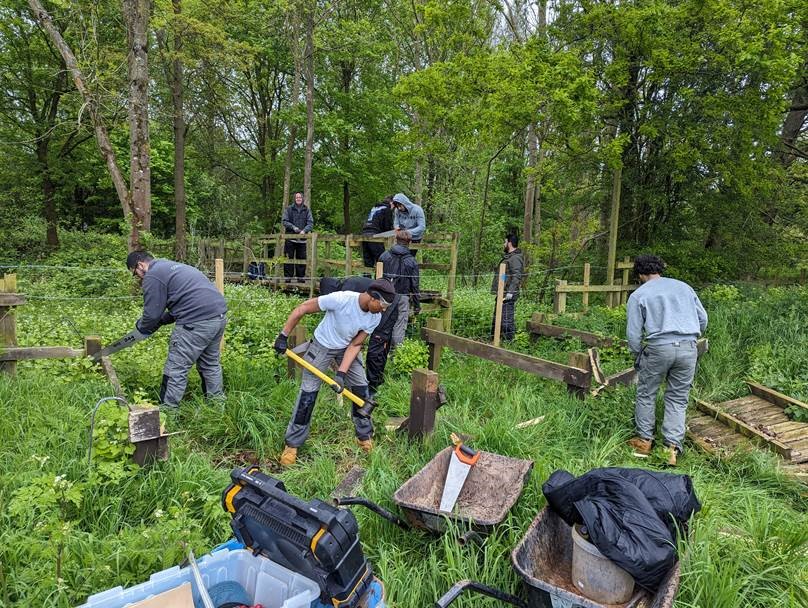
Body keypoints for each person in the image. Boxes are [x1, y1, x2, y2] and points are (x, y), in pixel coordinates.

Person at [273, 279, 396, 466]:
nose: (384, 309)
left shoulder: (375, 316)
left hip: (347, 347)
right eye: (383, 304)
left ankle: (363, 437)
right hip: (322, 346)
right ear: (373, 297)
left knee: (361, 390)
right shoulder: (340, 300)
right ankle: (292, 444)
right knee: (308, 395)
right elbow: (303, 308)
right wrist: (283, 335)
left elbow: (355, 344)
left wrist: (341, 374)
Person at [626, 254, 708, 466]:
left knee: (647, 393)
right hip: (689, 347)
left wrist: (638, 355)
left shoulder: (639, 295)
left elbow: (634, 335)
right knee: (678, 397)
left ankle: (644, 442)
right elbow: (703, 319)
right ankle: (670, 450)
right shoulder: (684, 287)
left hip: (659, 347)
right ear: (659, 269)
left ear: (640, 274)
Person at [127, 251, 228, 409]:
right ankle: (217, 408)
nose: (138, 277)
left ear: (140, 265)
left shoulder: (152, 275)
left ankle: (167, 413)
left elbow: (152, 314)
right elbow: (184, 301)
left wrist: (142, 328)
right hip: (218, 317)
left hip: (195, 322)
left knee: (176, 368)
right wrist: (161, 321)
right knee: (210, 364)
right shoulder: (170, 266)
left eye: (135, 273)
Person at [319, 276, 400, 397]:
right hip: (380, 304)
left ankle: (371, 389)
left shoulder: (346, 292)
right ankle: (360, 385)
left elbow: (352, 322)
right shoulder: (347, 287)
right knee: (359, 344)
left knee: (377, 347)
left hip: (386, 306)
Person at [379, 230, 420, 347]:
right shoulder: (412, 261)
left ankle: (381, 349)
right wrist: (417, 305)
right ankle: (397, 353)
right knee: (400, 324)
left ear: (396, 240)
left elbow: (378, 277)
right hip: (402, 296)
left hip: (385, 295)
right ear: (409, 242)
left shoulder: (384, 256)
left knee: (383, 322)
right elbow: (415, 284)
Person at [490, 233, 524, 341]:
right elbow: (504, 275)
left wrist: (510, 292)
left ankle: (509, 342)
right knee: (497, 318)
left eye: (504, 242)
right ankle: (495, 341)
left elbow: (517, 276)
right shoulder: (509, 257)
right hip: (502, 292)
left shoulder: (515, 258)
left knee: (506, 320)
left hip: (507, 294)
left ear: (509, 243)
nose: (503, 244)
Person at [281, 192, 314, 282]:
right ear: (294, 199)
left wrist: (304, 230)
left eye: (300, 197)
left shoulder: (307, 210)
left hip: (302, 239)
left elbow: (310, 223)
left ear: (302, 199)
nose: (298, 199)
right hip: (290, 238)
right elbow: (284, 221)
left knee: (302, 259)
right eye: (297, 197)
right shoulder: (289, 209)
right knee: (288, 258)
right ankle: (288, 278)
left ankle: (300, 278)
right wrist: (293, 227)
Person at [361, 196, 394, 270]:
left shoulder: (374, 208)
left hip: (364, 233)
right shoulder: (387, 209)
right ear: (391, 202)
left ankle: (367, 280)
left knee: (368, 262)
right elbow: (387, 227)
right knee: (381, 260)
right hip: (375, 234)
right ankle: (379, 280)